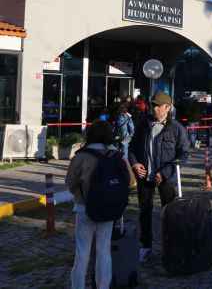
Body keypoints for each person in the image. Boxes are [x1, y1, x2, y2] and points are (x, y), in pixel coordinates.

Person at [66, 120, 134, 289]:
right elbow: (131, 182)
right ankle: (103, 286)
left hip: (84, 208)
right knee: (104, 251)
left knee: (82, 254)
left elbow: (70, 183)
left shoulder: (81, 156)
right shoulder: (117, 155)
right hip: (109, 209)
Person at [128, 91, 190, 263]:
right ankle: (146, 246)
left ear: (167, 108)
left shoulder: (177, 128)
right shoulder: (143, 124)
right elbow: (131, 147)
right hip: (145, 177)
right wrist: (134, 164)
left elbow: (184, 154)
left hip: (166, 178)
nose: (153, 108)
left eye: (157, 105)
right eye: (152, 105)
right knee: (144, 212)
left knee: (169, 214)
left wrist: (165, 172)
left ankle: (170, 247)